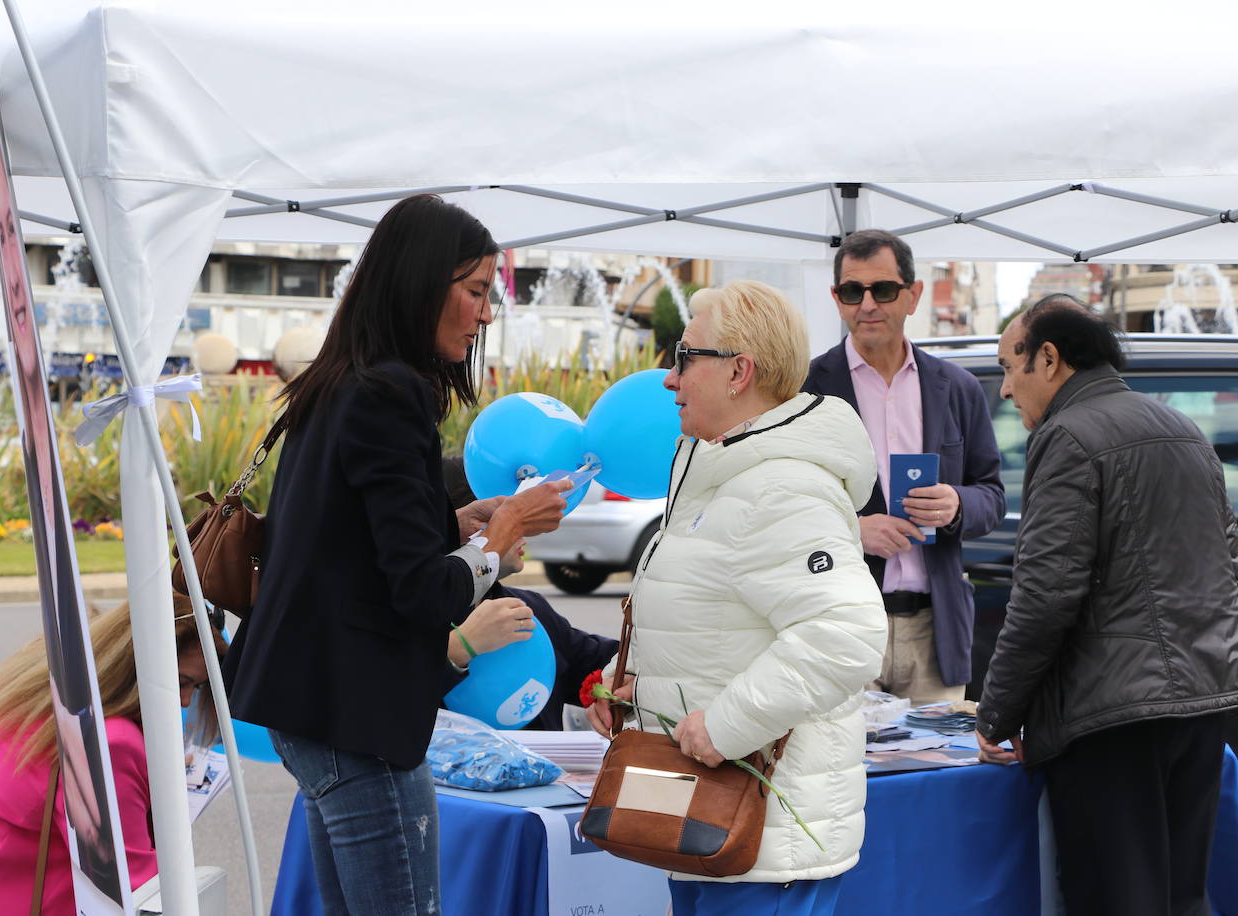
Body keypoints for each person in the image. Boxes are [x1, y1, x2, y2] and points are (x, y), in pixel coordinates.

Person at [221, 194, 569, 916]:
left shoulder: (342, 381)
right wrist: (499, 543)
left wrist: (454, 522)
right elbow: (420, 594)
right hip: (356, 716)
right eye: (475, 291)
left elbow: (351, 539)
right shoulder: (390, 394)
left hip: (315, 708)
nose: (485, 314)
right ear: (420, 283)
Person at [588, 280, 887, 916]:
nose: (669, 379)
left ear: (738, 372)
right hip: (709, 828)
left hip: (760, 843)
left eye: (683, 356)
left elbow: (846, 635)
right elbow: (717, 626)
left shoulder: (780, 490)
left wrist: (725, 727)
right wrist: (638, 693)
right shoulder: (720, 476)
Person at [975, 296, 1238, 916]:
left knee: (1117, 897)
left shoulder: (1067, 435)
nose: (1005, 390)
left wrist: (995, 715)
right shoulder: (1185, 429)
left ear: (1050, 360)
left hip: (1112, 721)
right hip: (1200, 704)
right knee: (1179, 895)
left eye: (1010, 367)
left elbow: (1043, 597)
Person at [804, 229, 1004, 704]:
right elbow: (776, 504)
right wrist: (851, 530)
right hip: (841, 624)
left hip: (936, 633)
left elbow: (992, 495)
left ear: (913, 296)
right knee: (846, 774)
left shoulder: (956, 387)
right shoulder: (806, 388)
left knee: (937, 772)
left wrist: (957, 504)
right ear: (837, 299)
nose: (868, 304)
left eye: (884, 290)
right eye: (853, 291)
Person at [0, 594, 224, 915]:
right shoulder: (109, 742)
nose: (184, 701)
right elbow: (135, 885)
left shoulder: (40, 686)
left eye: (195, 688)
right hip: (8, 897)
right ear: (135, 667)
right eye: (181, 682)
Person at [442, 456, 619, 731]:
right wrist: (460, 649)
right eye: (507, 518)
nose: (523, 531)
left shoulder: (528, 608)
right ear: (468, 526)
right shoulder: (412, 614)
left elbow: (601, 662)